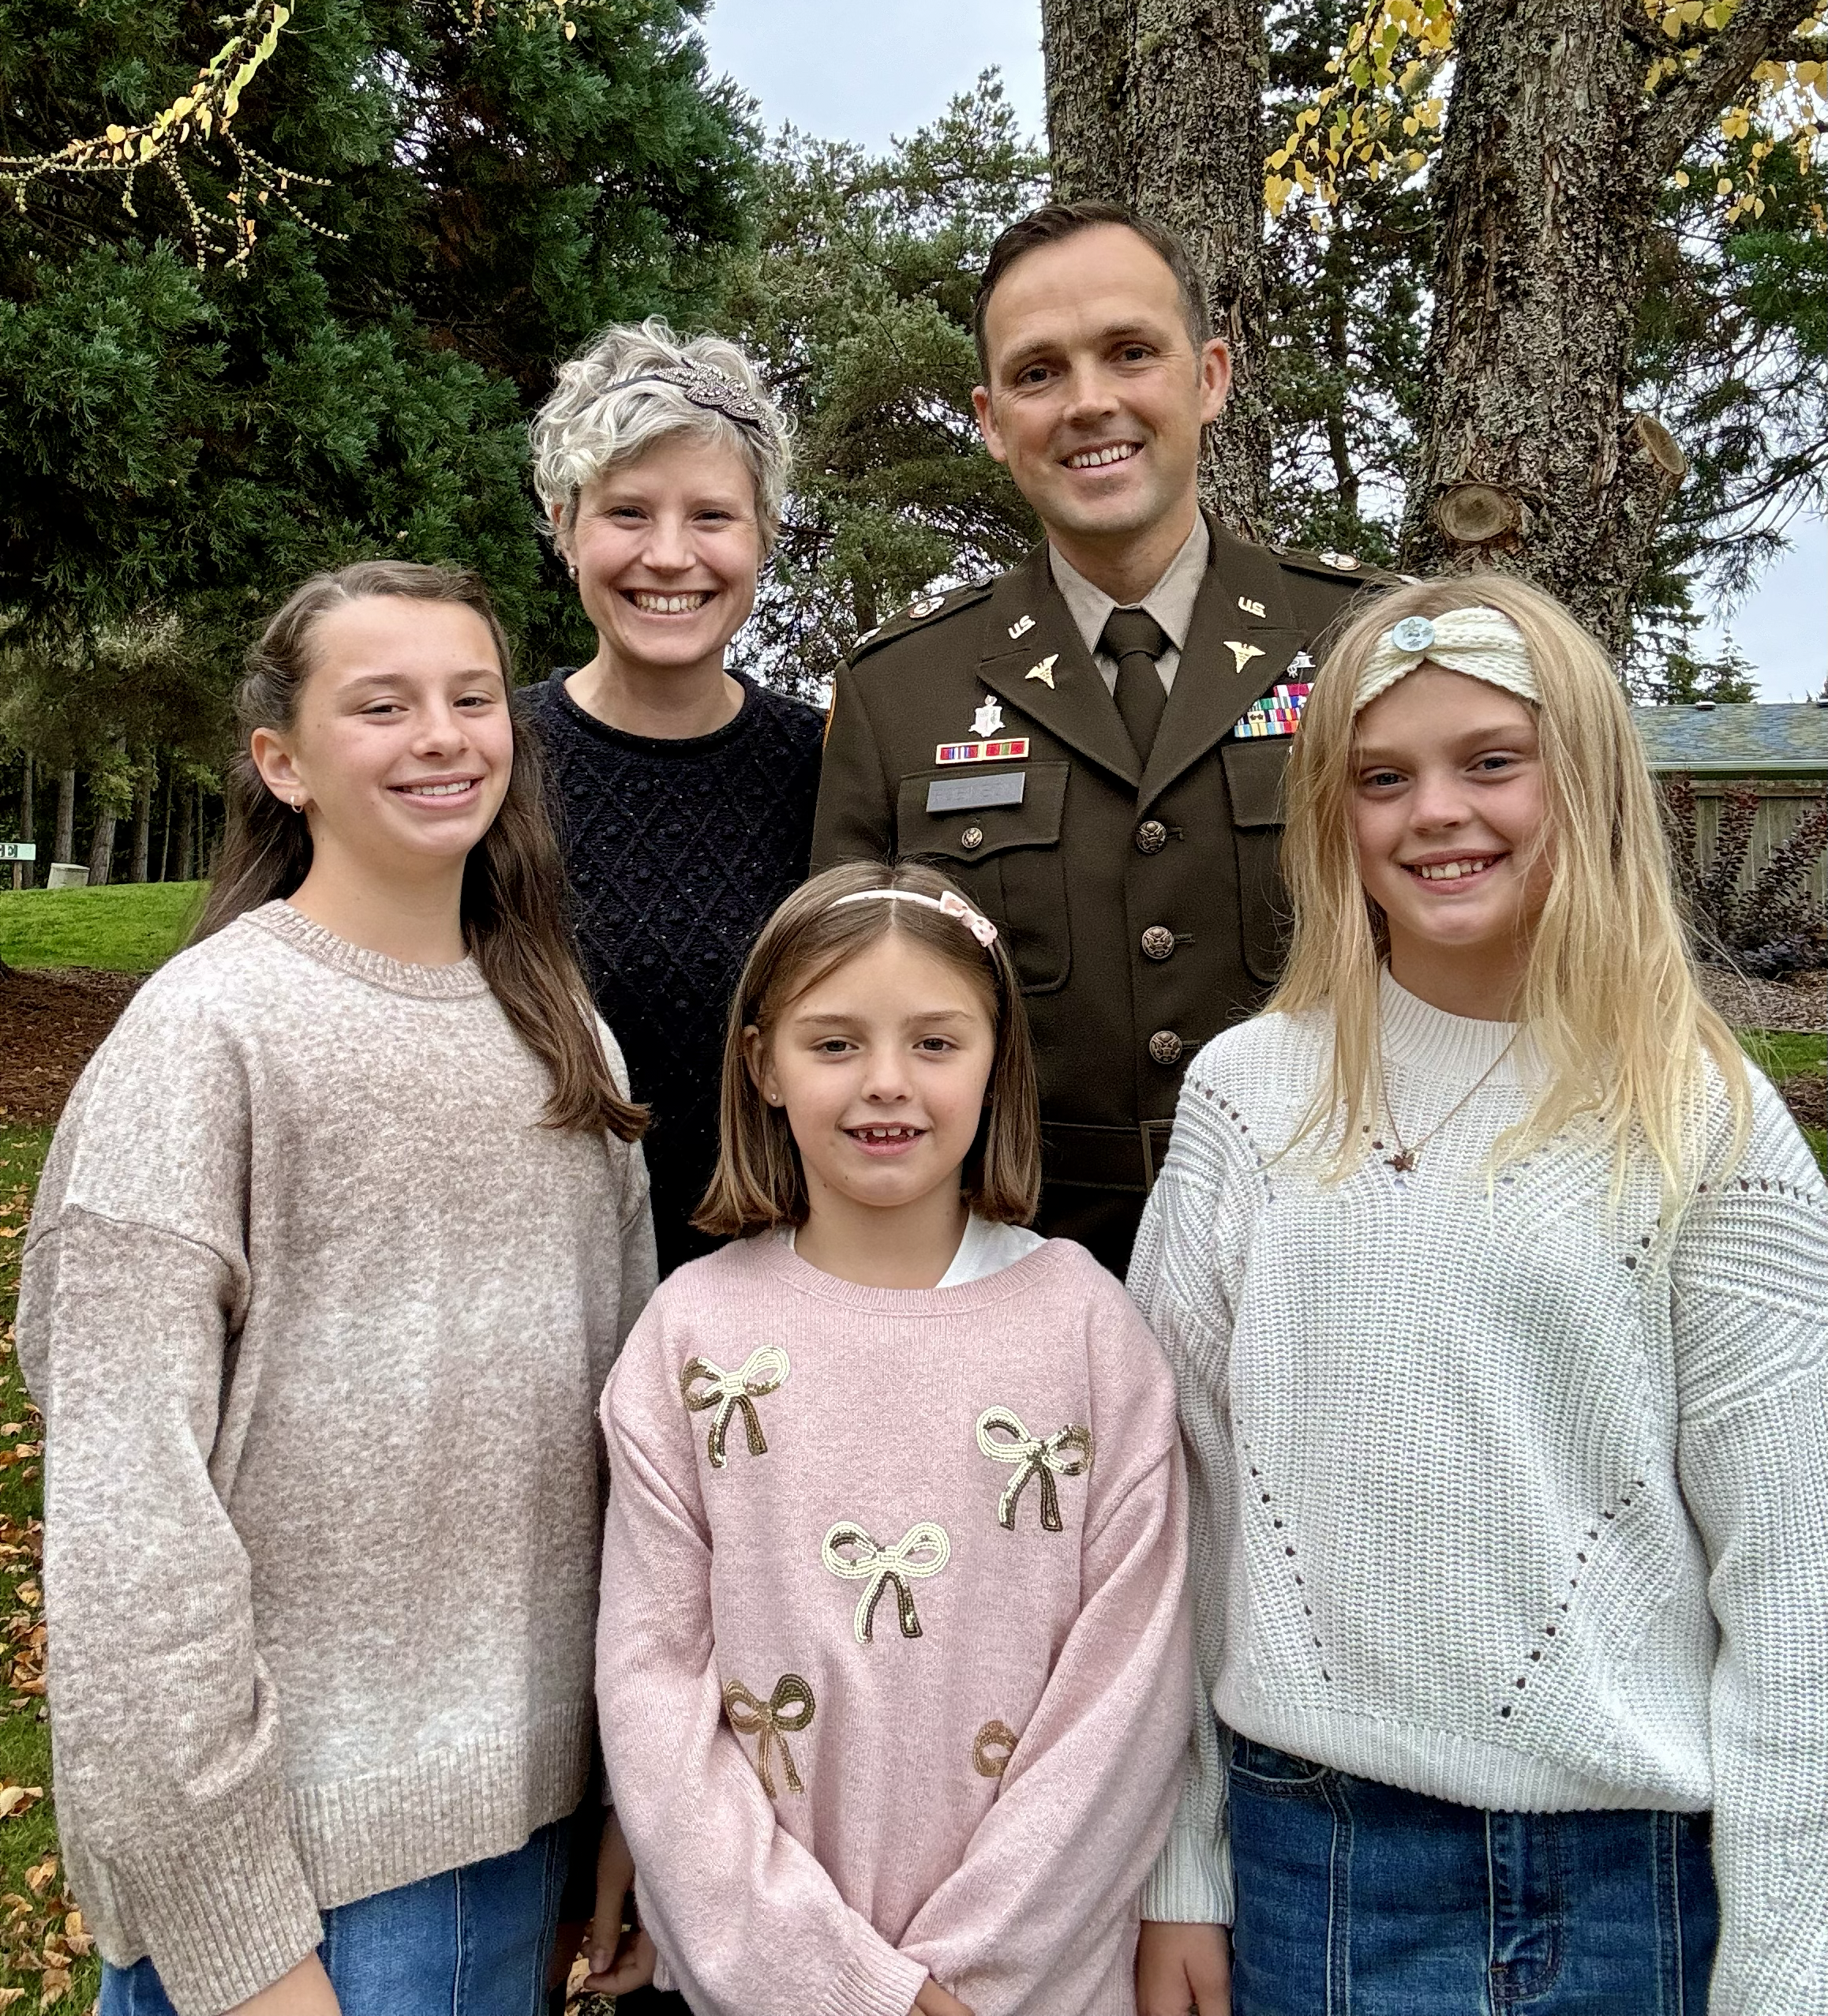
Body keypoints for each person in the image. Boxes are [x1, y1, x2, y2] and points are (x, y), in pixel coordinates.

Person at [1129, 575, 1828, 2016]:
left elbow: (1795, 1582)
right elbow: (1174, 1515)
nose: (1435, 810)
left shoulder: (1701, 1119)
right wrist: (1178, 1866)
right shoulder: (1248, 1102)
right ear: (1333, 817)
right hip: (1309, 1860)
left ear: (1582, 780)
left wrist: (1785, 1958)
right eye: (1383, 777)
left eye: (1491, 761)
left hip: (1629, 1890)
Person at [19, 560, 656, 2016]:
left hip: (525, 1845)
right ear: (282, 760)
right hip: (303, 1901)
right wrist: (237, 1936)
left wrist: (624, 1791)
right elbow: (131, 1529)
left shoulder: (569, 1043)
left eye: (472, 696)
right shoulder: (206, 1038)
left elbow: (627, 1465)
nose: (441, 734)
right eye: (382, 704)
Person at [586, 861, 1193, 2016]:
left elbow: (1130, 1693)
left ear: (997, 1058)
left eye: (934, 1042)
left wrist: (963, 1982)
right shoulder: (691, 1336)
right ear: (761, 1064)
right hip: (755, 1987)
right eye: (833, 1044)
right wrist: (839, 1987)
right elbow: (654, 1690)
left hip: (1041, 1988)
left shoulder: (1087, 1329)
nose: (885, 1085)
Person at [811, 200, 1392, 1275]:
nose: (1088, 403)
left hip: (1341, 1261)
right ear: (990, 420)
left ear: (1210, 375)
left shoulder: (1369, 646)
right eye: (1039, 374)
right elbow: (844, 1027)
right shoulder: (903, 694)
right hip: (1014, 1278)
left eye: (1130, 353)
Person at [522, 317, 824, 1277]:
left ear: (763, 537)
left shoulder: (830, 765)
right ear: (565, 527)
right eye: (626, 513)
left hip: (778, 1295)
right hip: (539, 1291)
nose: (668, 554)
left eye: (710, 516)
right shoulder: (491, 763)